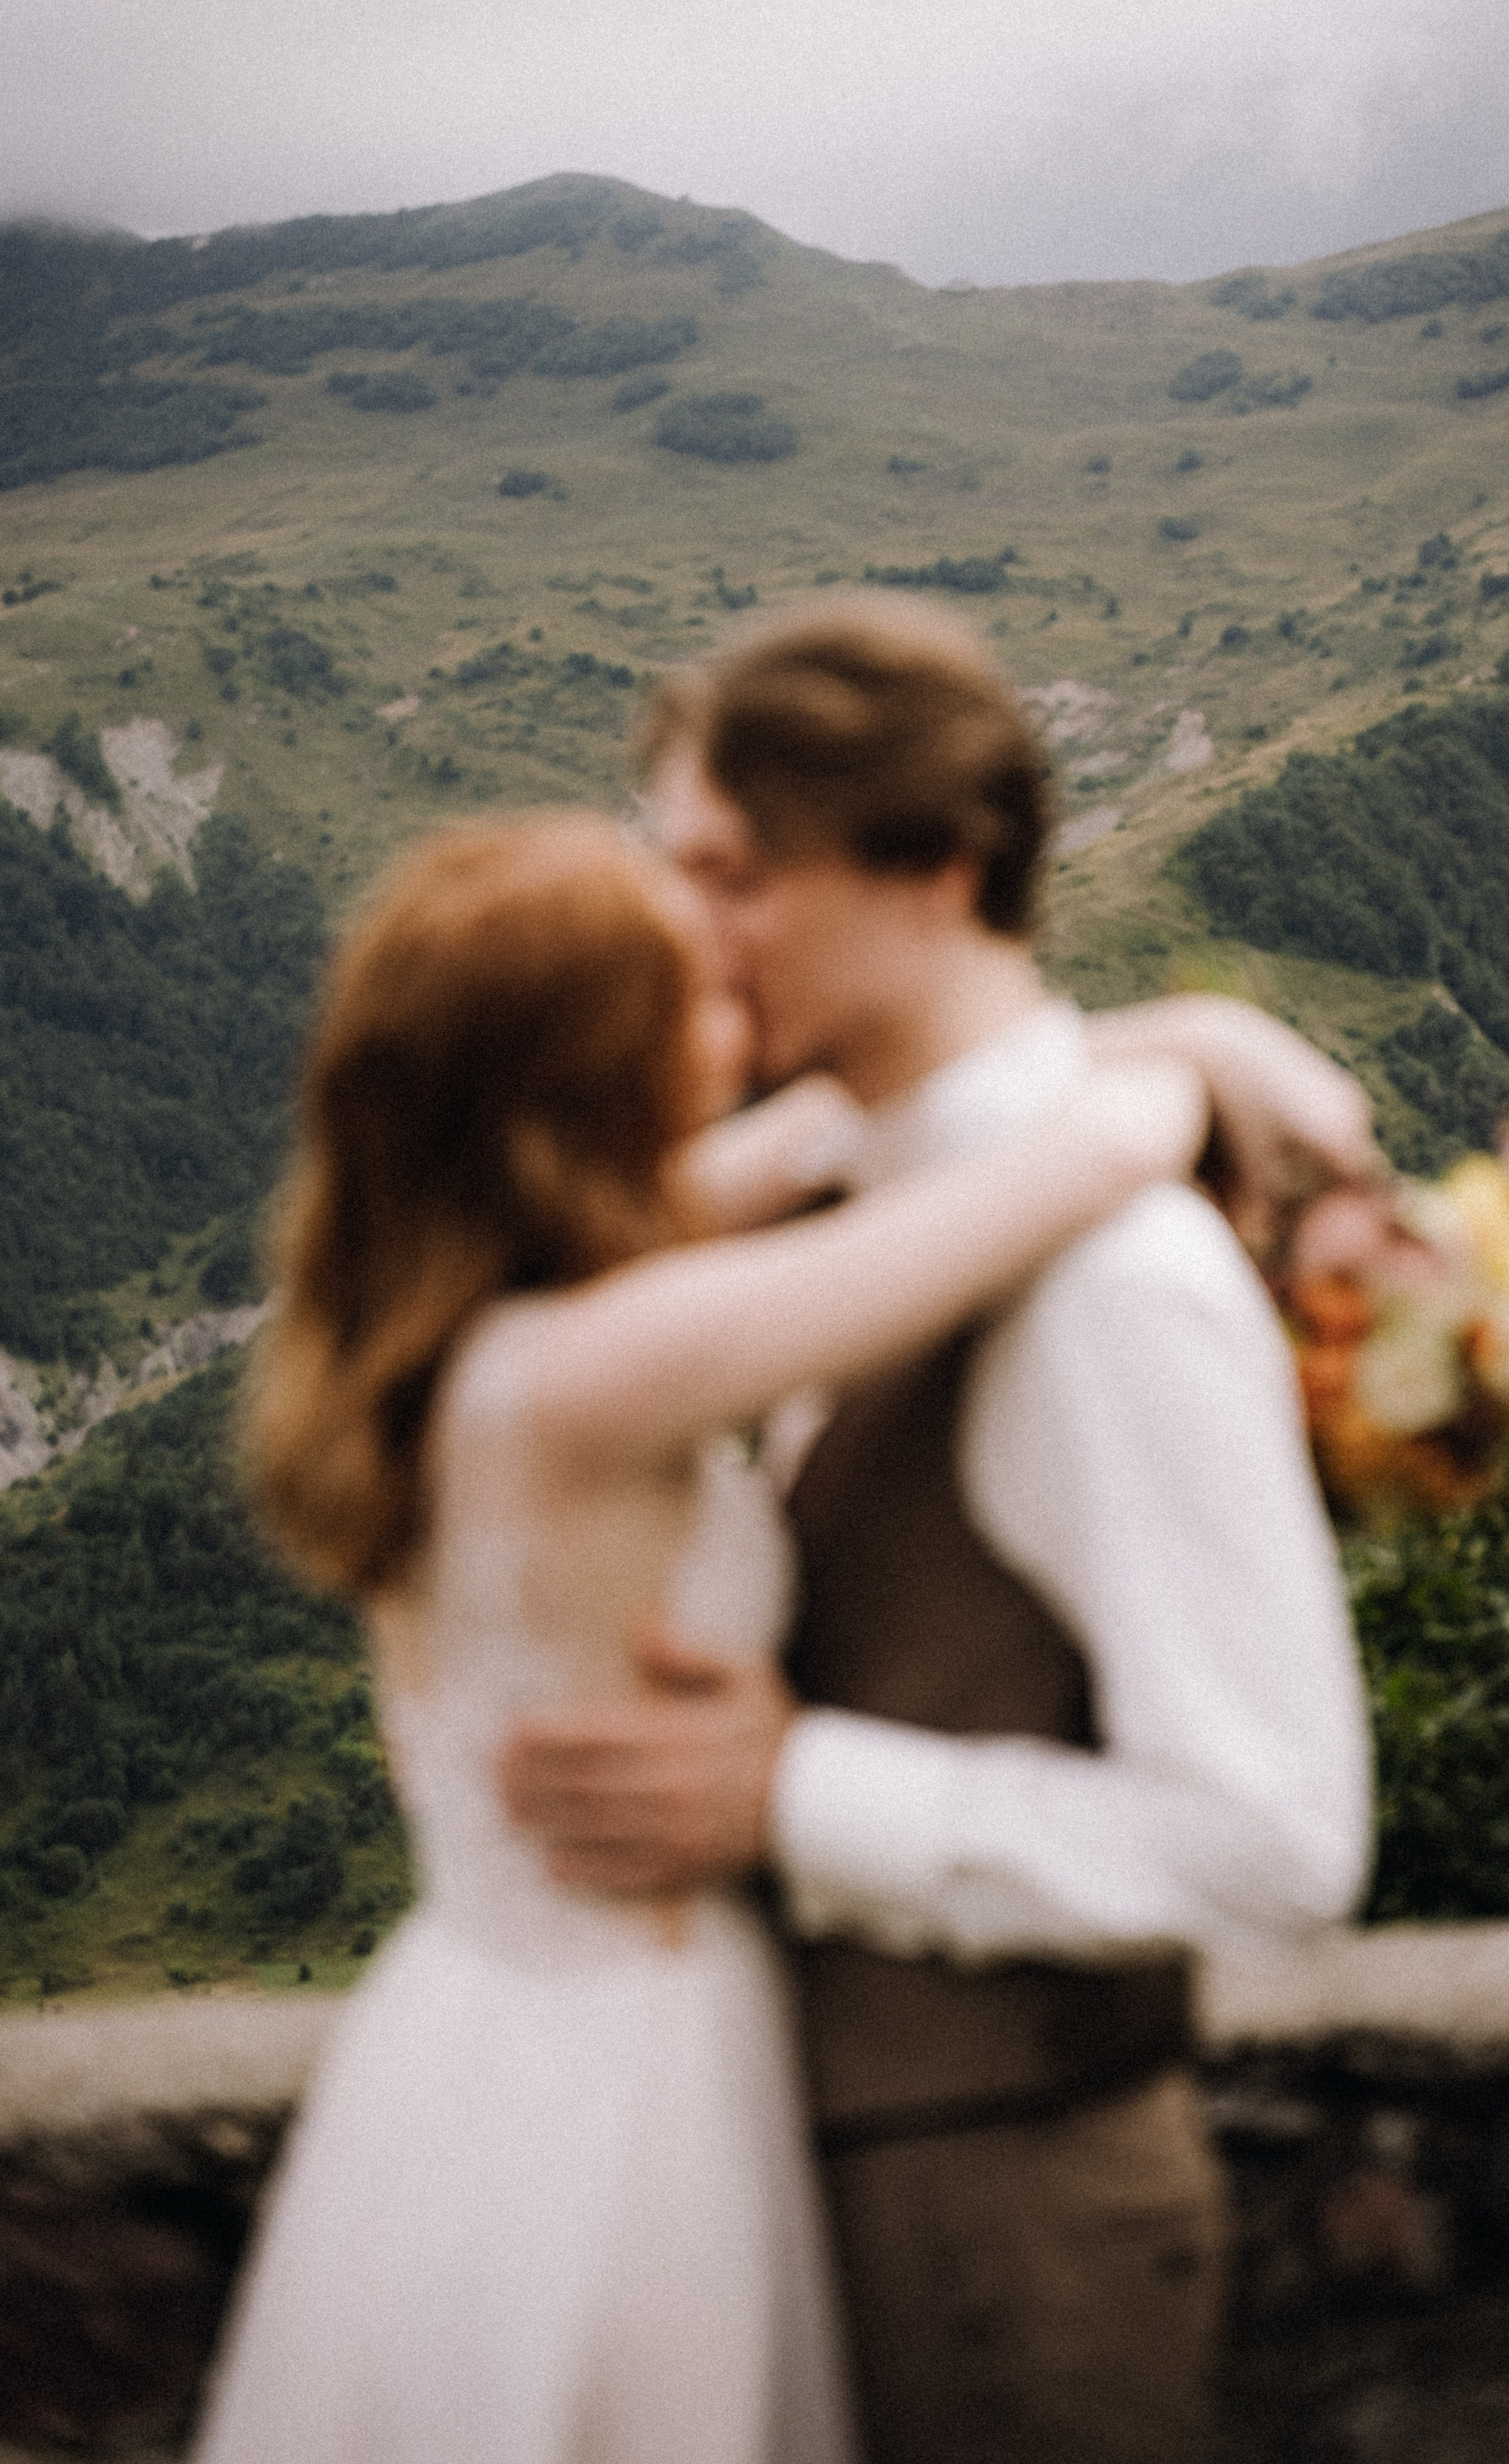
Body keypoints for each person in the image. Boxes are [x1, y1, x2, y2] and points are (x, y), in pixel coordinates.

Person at [193, 807, 1221, 2464]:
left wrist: (1092, 1049)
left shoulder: (467, 1323)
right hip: (622, 2080)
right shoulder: (594, 1371)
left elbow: (825, 1135)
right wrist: (1221, 1061)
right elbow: (1064, 1174)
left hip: (484, 2030)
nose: (742, 1026)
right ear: (593, 1074)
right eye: (697, 1001)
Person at [499, 603, 1378, 2464]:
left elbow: (1279, 1839)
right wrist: (1196, 1031)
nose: (685, 934)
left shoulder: (1111, 1291)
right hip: (853, 2187)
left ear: (936, 868)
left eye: (734, 875)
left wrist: (791, 1796)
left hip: (1017, 2232)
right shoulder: (889, 1200)